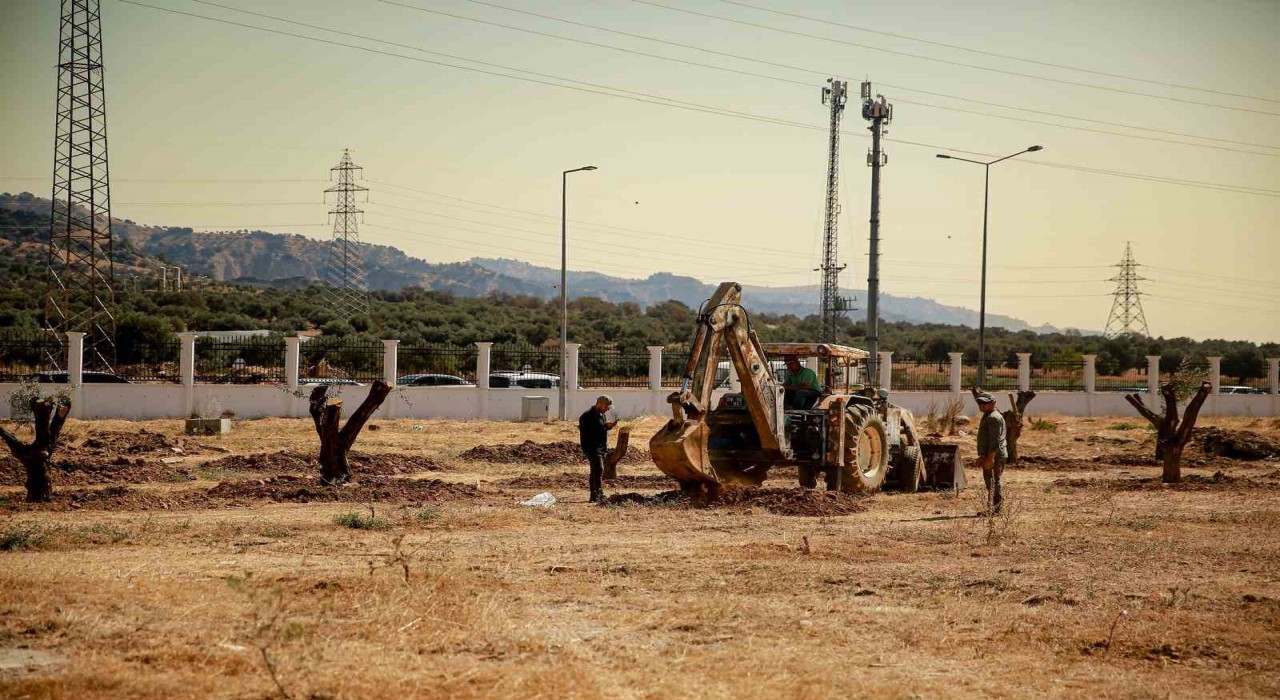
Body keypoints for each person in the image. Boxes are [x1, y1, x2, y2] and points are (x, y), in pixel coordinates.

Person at [578, 395, 617, 503]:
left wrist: (607, 427)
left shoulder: (601, 415)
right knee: (598, 469)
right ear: (599, 404)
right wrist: (605, 426)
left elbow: (600, 429)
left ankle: (595, 495)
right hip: (591, 447)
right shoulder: (587, 416)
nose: (607, 409)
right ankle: (597, 494)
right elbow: (590, 432)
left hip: (600, 447)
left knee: (596, 471)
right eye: (606, 406)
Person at [974, 391, 1008, 514]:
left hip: (995, 455)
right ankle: (993, 509)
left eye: (985, 403)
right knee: (991, 481)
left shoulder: (993, 418)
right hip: (991, 454)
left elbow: (995, 441)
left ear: (993, 403)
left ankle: (995, 510)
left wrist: (990, 459)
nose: (981, 405)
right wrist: (982, 456)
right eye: (979, 402)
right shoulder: (989, 415)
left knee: (993, 481)